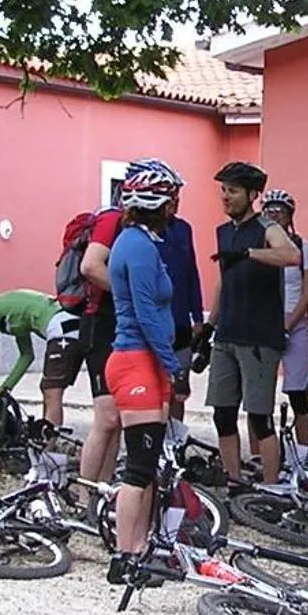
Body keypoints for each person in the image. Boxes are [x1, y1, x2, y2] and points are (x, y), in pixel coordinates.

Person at [74, 157, 181, 491]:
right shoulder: (114, 222)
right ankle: (85, 494)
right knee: (107, 418)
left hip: (126, 329)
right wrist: (130, 292)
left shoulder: (148, 236)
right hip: (105, 324)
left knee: (121, 423)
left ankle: (103, 492)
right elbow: (90, 266)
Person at [102, 168, 185, 586]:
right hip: (137, 360)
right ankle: (123, 558)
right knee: (138, 466)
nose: (176, 208)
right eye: (173, 200)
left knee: (149, 465)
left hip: (146, 361)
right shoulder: (136, 246)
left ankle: (138, 551)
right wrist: (173, 364)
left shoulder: (142, 243)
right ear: (160, 204)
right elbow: (146, 311)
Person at [207, 161, 300, 485]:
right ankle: (234, 481)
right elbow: (223, 280)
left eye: (233, 191)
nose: (225, 196)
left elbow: (291, 256)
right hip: (226, 334)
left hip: (259, 336)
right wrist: (209, 324)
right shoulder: (223, 232)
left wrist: (250, 254)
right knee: (222, 414)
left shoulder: (266, 228)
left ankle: (271, 486)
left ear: (252, 195)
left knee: (260, 418)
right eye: (223, 190)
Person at [261, 189, 308, 460]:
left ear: (289, 215)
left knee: (298, 394)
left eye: (279, 211)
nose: (274, 215)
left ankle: (303, 456)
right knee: (260, 396)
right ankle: (262, 455)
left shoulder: (304, 248)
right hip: (264, 323)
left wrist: (288, 323)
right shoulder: (259, 249)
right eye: (269, 211)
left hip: (294, 322)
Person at [156, 174, 205, 446]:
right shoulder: (145, 233)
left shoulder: (184, 229)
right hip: (155, 321)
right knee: (156, 386)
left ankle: (174, 442)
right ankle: (154, 441)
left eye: (177, 197)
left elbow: (191, 274)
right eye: (170, 197)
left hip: (181, 321)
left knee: (179, 388)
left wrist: (198, 316)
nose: (175, 202)